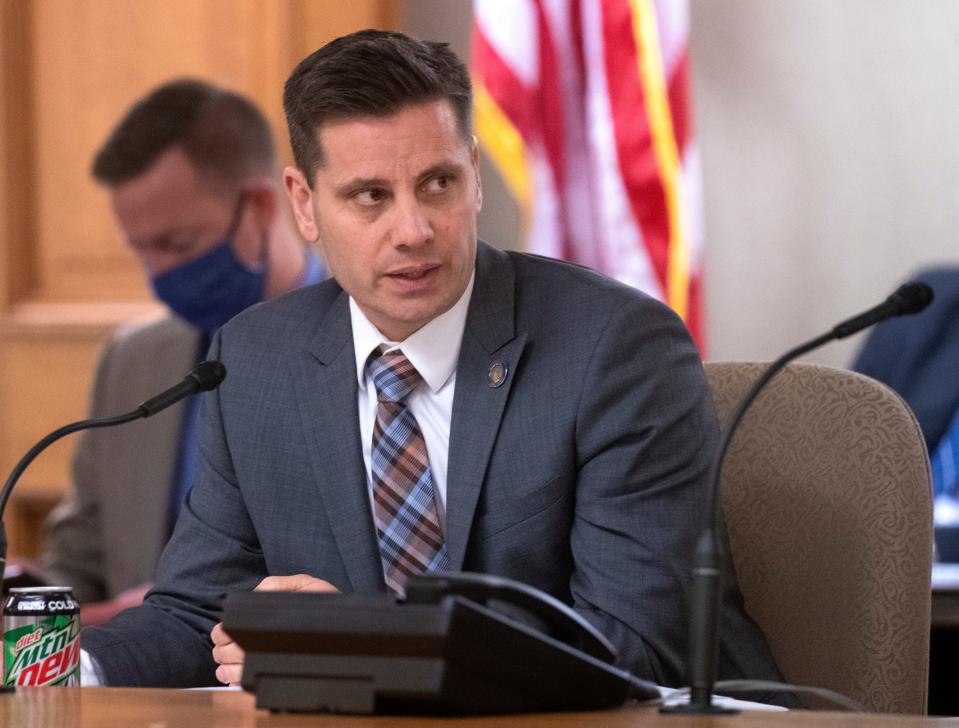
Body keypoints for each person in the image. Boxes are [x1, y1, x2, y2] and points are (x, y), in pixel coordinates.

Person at [80, 30, 784, 699]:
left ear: (474, 177)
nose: (413, 230)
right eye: (370, 197)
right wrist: (54, 664)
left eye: (438, 184)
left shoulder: (616, 350)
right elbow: (192, 613)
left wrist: (363, 645)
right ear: (303, 203)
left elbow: (631, 645)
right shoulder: (258, 360)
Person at [37, 79, 326, 624]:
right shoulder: (133, 360)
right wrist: (30, 593)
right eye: (142, 250)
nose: (160, 274)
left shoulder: (374, 341)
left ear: (262, 206)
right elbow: (80, 565)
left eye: (177, 244)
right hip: (137, 696)